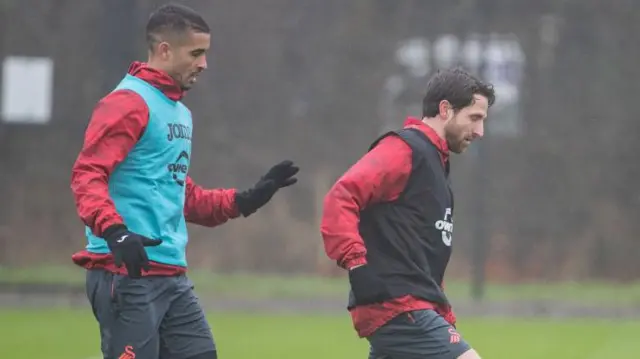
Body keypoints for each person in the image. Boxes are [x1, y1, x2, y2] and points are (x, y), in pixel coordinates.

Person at [69, 3, 298, 359]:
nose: (203, 64)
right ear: (164, 50)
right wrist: (115, 231)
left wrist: (245, 200)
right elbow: (87, 174)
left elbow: (180, 194)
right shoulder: (128, 103)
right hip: (125, 271)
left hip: (171, 274)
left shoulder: (179, 111)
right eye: (196, 53)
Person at [320, 67, 495, 359]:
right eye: (474, 118)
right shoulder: (404, 150)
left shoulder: (435, 163)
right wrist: (356, 263)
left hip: (410, 306)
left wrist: (441, 309)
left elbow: (421, 253)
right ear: (445, 110)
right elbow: (342, 196)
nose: (479, 132)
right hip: (397, 306)